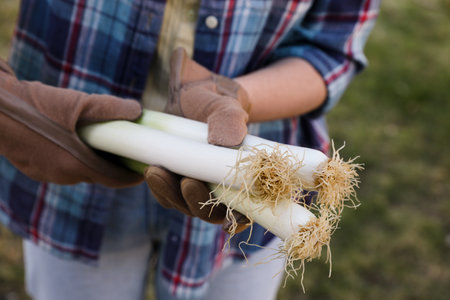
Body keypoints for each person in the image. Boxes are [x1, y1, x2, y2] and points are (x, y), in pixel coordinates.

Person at [0, 1, 380, 299]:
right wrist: (7, 103)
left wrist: (238, 96)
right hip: (58, 144)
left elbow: (331, 45)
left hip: (244, 196)